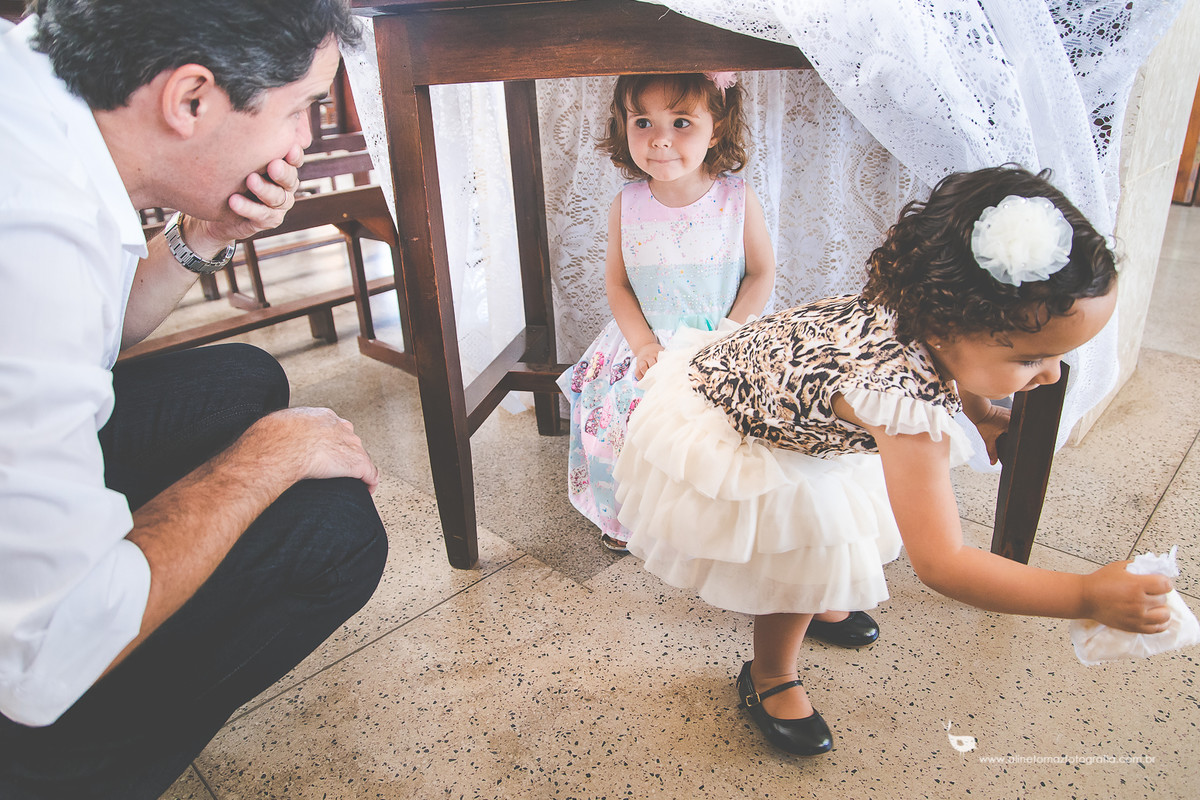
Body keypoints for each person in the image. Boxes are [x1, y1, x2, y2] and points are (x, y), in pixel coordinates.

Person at [612, 165, 1174, 756]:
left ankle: (824, 608)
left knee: (835, 535)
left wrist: (981, 413)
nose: (1052, 374)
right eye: (1033, 357)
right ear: (947, 322)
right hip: (744, 423)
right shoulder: (902, 411)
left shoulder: (922, 301)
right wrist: (1084, 595)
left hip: (779, 381)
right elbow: (944, 563)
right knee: (811, 546)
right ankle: (769, 675)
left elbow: (951, 363)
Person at [0, 2, 389, 797]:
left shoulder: (38, 103)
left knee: (242, 380)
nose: (305, 139)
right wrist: (261, 462)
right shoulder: (30, 235)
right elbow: (41, 651)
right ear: (191, 100)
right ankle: (62, 774)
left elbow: (101, 333)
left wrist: (205, 233)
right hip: (27, 657)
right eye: (301, 107)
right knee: (336, 532)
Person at [558, 72, 775, 554]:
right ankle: (630, 517)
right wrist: (643, 346)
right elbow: (617, 284)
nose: (660, 138)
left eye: (681, 122)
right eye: (643, 122)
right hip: (648, 339)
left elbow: (760, 274)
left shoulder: (736, 201)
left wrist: (729, 333)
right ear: (624, 126)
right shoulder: (627, 204)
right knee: (621, 417)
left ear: (715, 128)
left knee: (727, 425)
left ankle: (712, 519)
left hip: (721, 337)